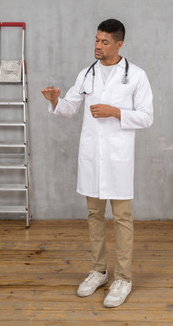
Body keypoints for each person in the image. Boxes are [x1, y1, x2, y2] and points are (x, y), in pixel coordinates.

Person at [41, 19, 153, 308]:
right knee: (94, 215)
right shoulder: (87, 74)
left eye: (104, 42)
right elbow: (69, 108)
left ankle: (124, 278)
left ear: (119, 44)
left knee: (122, 218)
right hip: (92, 157)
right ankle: (98, 271)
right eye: (96, 40)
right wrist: (55, 100)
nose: (98, 46)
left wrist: (115, 111)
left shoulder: (136, 76)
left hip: (118, 159)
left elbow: (146, 116)